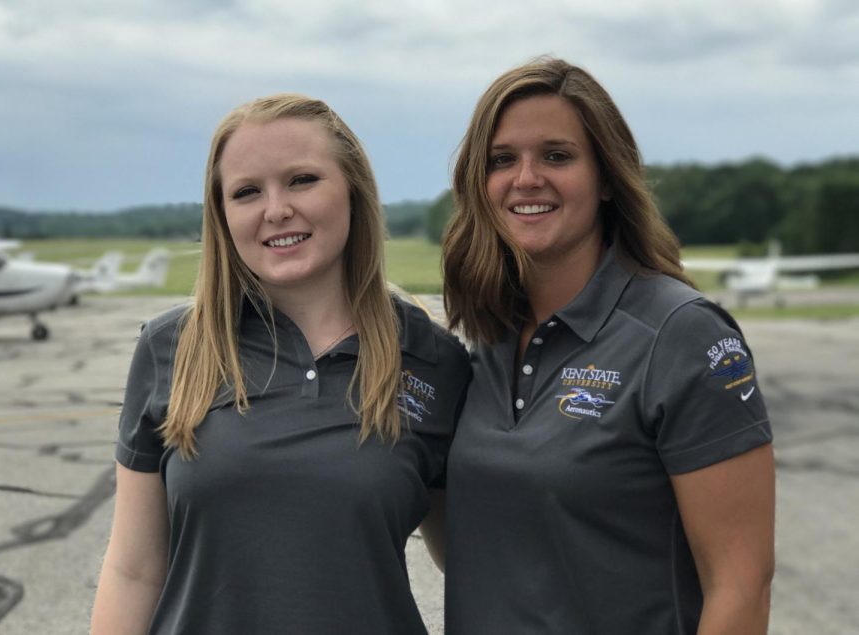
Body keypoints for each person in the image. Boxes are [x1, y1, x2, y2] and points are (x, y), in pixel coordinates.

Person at [90, 94, 469, 634]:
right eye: (246, 192)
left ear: (353, 190)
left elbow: (475, 566)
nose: (275, 210)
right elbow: (133, 570)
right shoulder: (171, 347)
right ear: (222, 215)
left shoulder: (435, 361)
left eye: (302, 180)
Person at [440, 57, 775, 634]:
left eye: (556, 155)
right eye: (502, 160)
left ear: (605, 179)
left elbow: (741, 586)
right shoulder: (486, 336)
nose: (526, 178)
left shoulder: (683, 335)